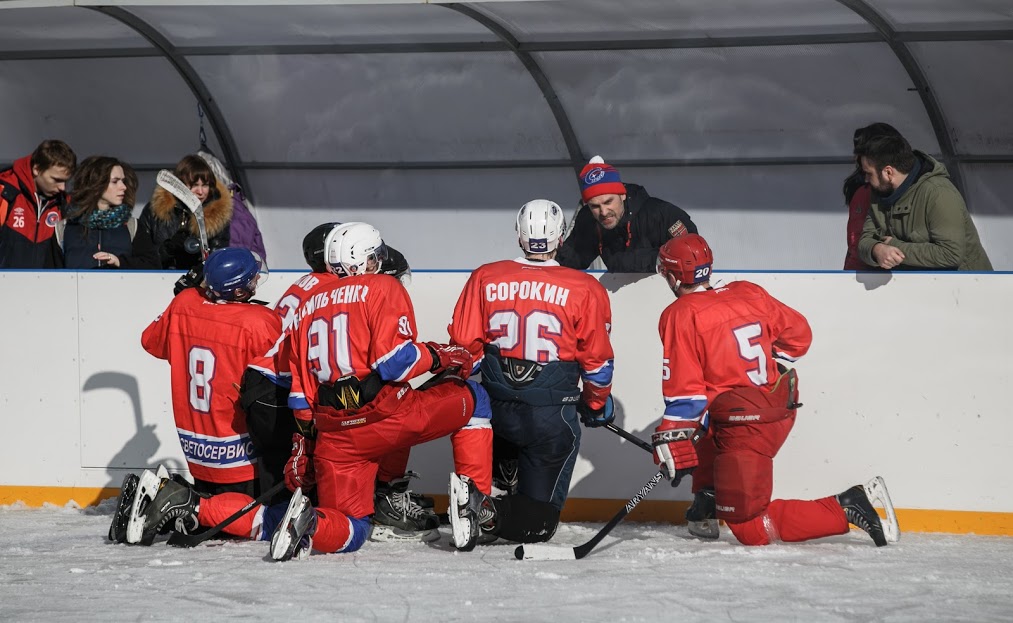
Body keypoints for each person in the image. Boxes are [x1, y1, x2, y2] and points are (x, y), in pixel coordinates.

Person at [651, 233, 900, 547]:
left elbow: (685, 394)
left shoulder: (680, 314)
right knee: (706, 424)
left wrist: (670, 433)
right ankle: (709, 497)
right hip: (774, 405)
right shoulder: (747, 291)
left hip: (749, 424)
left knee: (751, 528)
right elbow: (800, 336)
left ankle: (845, 506)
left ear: (673, 277)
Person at [267, 222, 493, 561]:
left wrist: (304, 445)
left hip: (335, 437)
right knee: (476, 400)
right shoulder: (382, 286)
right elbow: (396, 364)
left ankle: (312, 523)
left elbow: (301, 397)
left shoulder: (309, 303)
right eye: (376, 255)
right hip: (386, 417)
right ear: (364, 259)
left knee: (353, 528)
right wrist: (443, 354)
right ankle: (476, 503)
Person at [445, 199, 615, 545]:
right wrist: (595, 403)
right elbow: (597, 363)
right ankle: (487, 511)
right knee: (539, 523)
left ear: (519, 236)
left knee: (494, 415)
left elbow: (465, 352)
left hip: (495, 410)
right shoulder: (585, 288)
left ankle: (497, 474)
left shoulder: (486, 276)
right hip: (549, 418)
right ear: (561, 237)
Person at [257, 221, 437, 541]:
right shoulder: (351, 289)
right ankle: (396, 494)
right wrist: (438, 356)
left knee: (311, 498)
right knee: (428, 398)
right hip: (294, 387)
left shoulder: (309, 288)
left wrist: (304, 437)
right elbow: (390, 364)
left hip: (297, 391)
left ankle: (200, 507)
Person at [111, 248, 289, 546]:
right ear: (241, 289)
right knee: (259, 520)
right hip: (239, 448)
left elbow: (151, 341)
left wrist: (189, 293)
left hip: (196, 447)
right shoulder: (258, 321)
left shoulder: (185, 303)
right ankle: (175, 499)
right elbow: (283, 375)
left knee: (211, 508)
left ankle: (171, 500)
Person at [855, 131, 992, 271]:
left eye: (868, 173)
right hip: (918, 286)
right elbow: (865, 239)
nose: (865, 179)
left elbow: (951, 253)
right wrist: (876, 250)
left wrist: (895, 247)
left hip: (967, 287)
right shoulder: (879, 193)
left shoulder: (938, 193)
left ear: (888, 173)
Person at [555, 155, 697, 272]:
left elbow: (693, 254)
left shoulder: (661, 214)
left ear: (622, 195)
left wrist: (631, 262)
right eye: (595, 206)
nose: (603, 212)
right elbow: (570, 260)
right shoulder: (588, 219)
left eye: (608, 202)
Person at [47, 156, 159, 269]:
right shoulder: (63, 228)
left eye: (123, 181)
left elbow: (153, 266)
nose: (123, 187)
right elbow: (49, 277)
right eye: (115, 181)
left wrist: (120, 262)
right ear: (96, 184)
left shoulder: (132, 226)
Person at [137, 154, 232, 271]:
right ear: (179, 185)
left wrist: (200, 254)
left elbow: (218, 261)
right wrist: (168, 249)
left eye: (205, 185)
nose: (200, 191)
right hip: (159, 278)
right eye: (194, 185)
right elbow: (142, 257)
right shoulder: (155, 211)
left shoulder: (216, 215)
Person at [0, 139, 76, 268]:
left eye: (65, 181)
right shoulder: (5, 193)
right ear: (37, 169)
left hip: (46, 285)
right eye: (56, 180)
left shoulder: (64, 204)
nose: (62, 187)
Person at [842, 123, 903, 270]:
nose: (856, 156)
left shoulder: (887, 189)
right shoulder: (861, 190)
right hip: (861, 271)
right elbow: (855, 241)